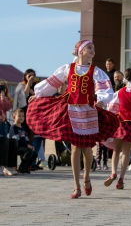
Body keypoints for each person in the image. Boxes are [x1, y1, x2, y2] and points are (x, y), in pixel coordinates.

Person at [26, 40, 119, 198]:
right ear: (81, 51)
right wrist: (38, 94)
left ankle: (86, 177)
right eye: (89, 47)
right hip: (70, 109)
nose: (93, 50)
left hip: (88, 110)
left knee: (87, 150)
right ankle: (76, 186)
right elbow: (52, 82)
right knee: (75, 148)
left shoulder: (95, 71)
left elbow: (104, 88)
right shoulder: (68, 68)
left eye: (94, 48)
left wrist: (102, 101)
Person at [13, 69, 39, 143]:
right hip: (23, 112)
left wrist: (33, 92)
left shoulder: (36, 87)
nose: (31, 77)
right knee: (23, 133)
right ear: (25, 77)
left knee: (31, 133)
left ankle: (30, 147)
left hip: (33, 113)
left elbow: (39, 97)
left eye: (33, 76)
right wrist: (28, 83)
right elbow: (25, 95)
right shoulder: (21, 85)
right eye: (29, 76)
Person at [9, 109, 37, 174]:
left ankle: (25, 167)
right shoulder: (13, 127)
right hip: (15, 147)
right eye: (19, 116)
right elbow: (17, 139)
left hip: (23, 147)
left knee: (34, 153)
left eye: (23, 116)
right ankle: (22, 168)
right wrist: (27, 146)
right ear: (14, 117)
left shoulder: (23, 128)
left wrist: (30, 146)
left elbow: (26, 139)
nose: (21, 118)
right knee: (28, 151)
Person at [0, 110, 18, 176]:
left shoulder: (4, 122)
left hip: (2, 140)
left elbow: (5, 133)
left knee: (13, 141)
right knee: (3, 139)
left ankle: (9, 167)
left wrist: (2, 122)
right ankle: (1, 166)